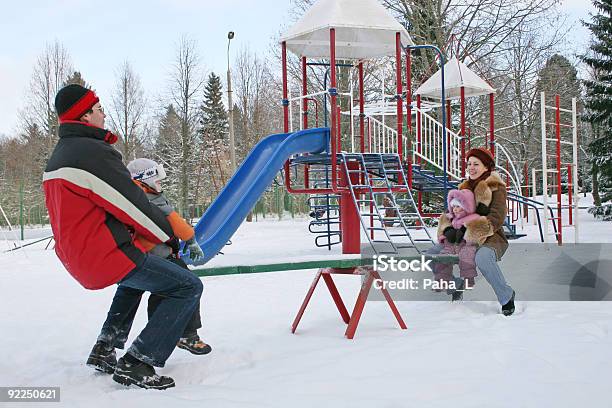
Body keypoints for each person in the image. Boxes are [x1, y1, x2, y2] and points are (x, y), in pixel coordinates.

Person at [44, 84, 203, 389]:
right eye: (98, 107)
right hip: (105, 252)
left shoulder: (60, 156)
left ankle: (105, 346)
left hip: (77, 255)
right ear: (85, 114)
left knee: (134, 282)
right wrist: (168, 237)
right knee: (187, 286)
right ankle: (138, 361)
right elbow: (133, 205)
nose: (103, 112)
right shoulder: (91, 153)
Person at [428, 147, 515, 315]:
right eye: (469, 164)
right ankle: (456, 285)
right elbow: (451, 212)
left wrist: (468, 230)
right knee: (431, 255)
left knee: (482, 257)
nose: (471, 167)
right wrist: (447, 230)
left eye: (476, 164)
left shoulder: (496, 187)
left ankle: (506, 296)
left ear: (486, 166)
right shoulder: (463, 187)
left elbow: (496, 218)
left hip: (491, 237)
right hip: (460, 236)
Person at [434, 189, 484, 300]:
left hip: (467, 244)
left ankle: (468, 278)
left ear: (466, 207)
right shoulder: (452, 219)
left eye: (458, 207)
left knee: (466, 255)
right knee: (442, 256)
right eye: (453, 207)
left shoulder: (472, 219)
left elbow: (476, 233)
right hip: (453, 245)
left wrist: (466, 236)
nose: (455, 210)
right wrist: (446, 236)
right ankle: (443, 281)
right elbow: (444, 231)